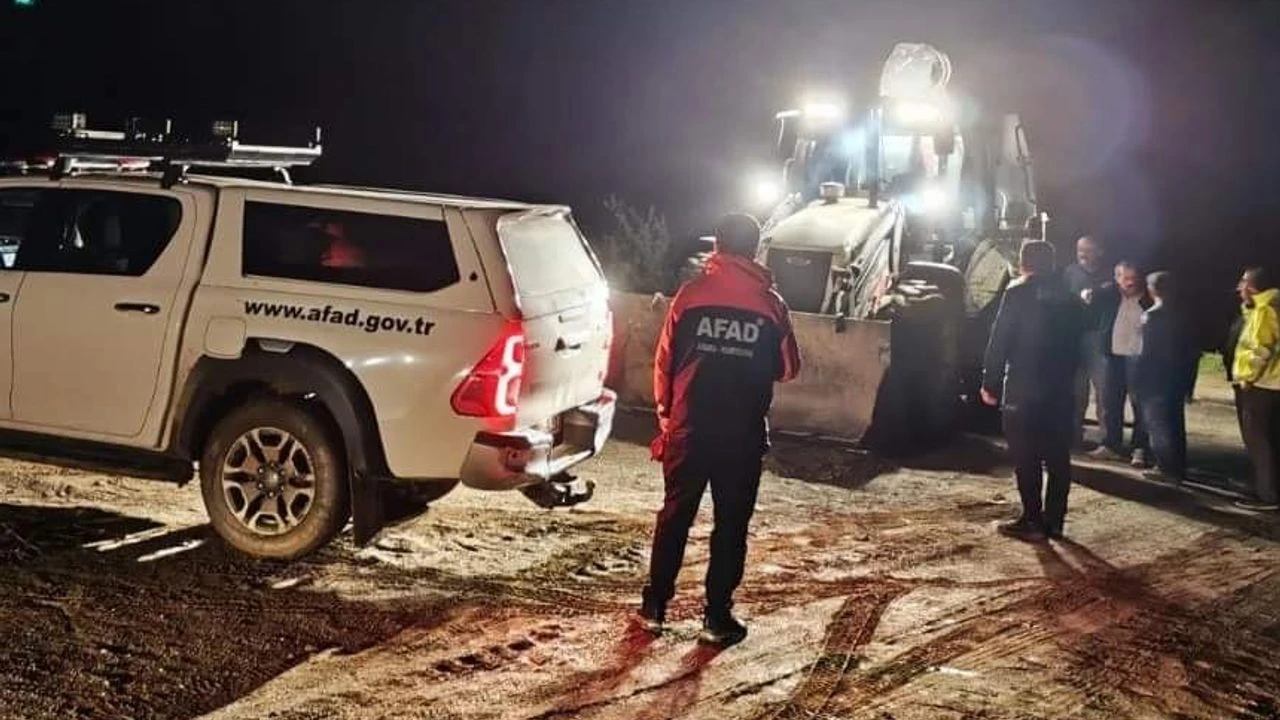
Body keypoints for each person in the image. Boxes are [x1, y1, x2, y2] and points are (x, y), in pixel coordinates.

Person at [639, 212, 801, 645]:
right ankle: (716, 617)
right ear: (755, 250)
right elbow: (789, 369)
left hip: (689, 428)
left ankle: (654, 607)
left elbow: (664, 362)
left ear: (717, 247)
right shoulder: (772, 305)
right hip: (742, 437)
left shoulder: (689, 295)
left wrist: (667, 418)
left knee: (674, 517)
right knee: (730, 526)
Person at [981, 240, 1084, 542]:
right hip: (1061, 389)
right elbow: (1079, 346)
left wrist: (990, 382)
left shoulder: (1017, 294)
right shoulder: (1071, 300)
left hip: (1023, 387)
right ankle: (1055, 521)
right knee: (1057, 455)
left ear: (1023, 263)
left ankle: (1032, 520)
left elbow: (999, 341)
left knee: (1026, 455)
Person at [1089, 261, 1153, 467]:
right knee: (1110, 401)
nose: (1130, 282)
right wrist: (1086, 294)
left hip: (1139, 358)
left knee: (1140, 404)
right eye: (1125, 278)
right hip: (1113, 356)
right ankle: (1111, 445)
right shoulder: (1109, 296)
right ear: (1117, 279)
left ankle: (1140, 448)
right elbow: (1091, 296)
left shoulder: (1147, 299)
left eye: (1133, 278)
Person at [1136, 271, 1192, 484]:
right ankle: (1178, 466)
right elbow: (1190, 351)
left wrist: (1138, 379)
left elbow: (1146, 352)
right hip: (1176, 377)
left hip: (1155, 378)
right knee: (1175, 422)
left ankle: (1166, 468)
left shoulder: (1151, 316)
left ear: (1152, 290)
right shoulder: (1183, 315)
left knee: (1158, 424)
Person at [1231, 266, 1280, 512]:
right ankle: (1265, 487)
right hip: (1272, 383)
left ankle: (1267, 495)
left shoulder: (1264, 309)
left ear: (1251, 286)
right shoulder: (1270, 305)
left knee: (1257, 439)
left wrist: (1248, 378)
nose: (1239, 287)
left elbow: (1260, 349)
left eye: (1243, 282)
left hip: (1261, 384)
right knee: (1269, 437)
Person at [1063, 235, 1110, 449]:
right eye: (1080, 249)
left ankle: (1107, 440)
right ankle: (1073, 436)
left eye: (1088, 249)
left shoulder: (1108, 274)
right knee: (1076, 391)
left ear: (1099, 252)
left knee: (1103, 390)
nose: (1083, 254)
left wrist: (1097, 293)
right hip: (1073, 337)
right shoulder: (1070, 273)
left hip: (1097, 337)